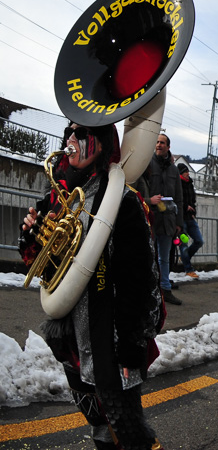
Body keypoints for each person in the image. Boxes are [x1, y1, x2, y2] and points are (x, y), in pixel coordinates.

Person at [20, 122, 165, 450]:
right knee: (97, 420)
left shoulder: (124, 201)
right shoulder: (58, 198)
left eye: (81, 134)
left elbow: (139, 280)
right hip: (71, 335)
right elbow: (39, 265)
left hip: (111, 338)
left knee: (127, 427)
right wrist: (30, 237)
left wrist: (132, 343)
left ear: (100, 144)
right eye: (68, 132)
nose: (71, 139)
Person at [138, 133, 184, 305]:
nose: (159, 145)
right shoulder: (146, 165)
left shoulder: (174, 169)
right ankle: (148, 291)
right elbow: (136, 192)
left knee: (164, 258)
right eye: (157, 142)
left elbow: (179, 198)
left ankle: (165, 290)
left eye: (162, 142)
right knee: (148, 257)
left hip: (167, 222)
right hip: (150, 218)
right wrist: (150, 201)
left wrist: (179, 223)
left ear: (168, 147)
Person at [177, 163, 203, 279]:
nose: (188, 173)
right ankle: (188, 269)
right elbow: (177, 201)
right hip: (181, 219)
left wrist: (193, 212)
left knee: (199, 241)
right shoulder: (177, 184)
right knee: (184, 244)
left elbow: (193, 200)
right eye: (185, 172)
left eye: (187, 171)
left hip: (190, 218)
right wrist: (185, 207)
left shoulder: (190, 184)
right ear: (181, 173)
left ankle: (184, 257)